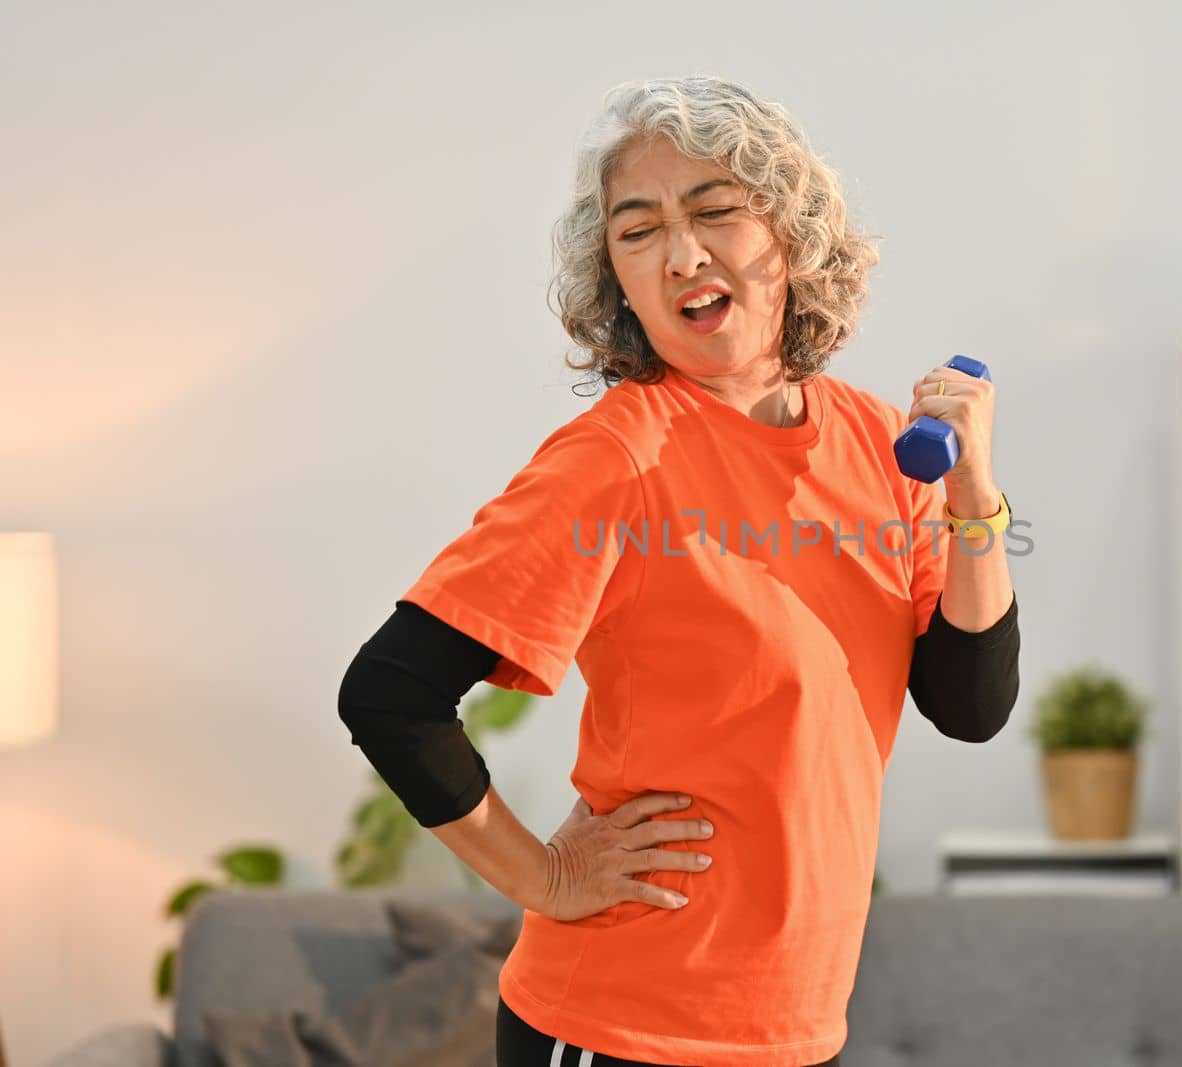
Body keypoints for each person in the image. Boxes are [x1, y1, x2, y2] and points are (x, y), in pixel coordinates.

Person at [337, 75, 1020, 1067]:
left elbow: (969, 700)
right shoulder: (618, 457)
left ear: (787, 236)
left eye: (713, 211)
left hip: (793, 1024)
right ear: (616, 276)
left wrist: (972, 494)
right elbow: (391, 692)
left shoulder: (880, 443)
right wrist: (547, 879)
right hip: (621, 1023)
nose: (682, 253)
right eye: (638, 230)